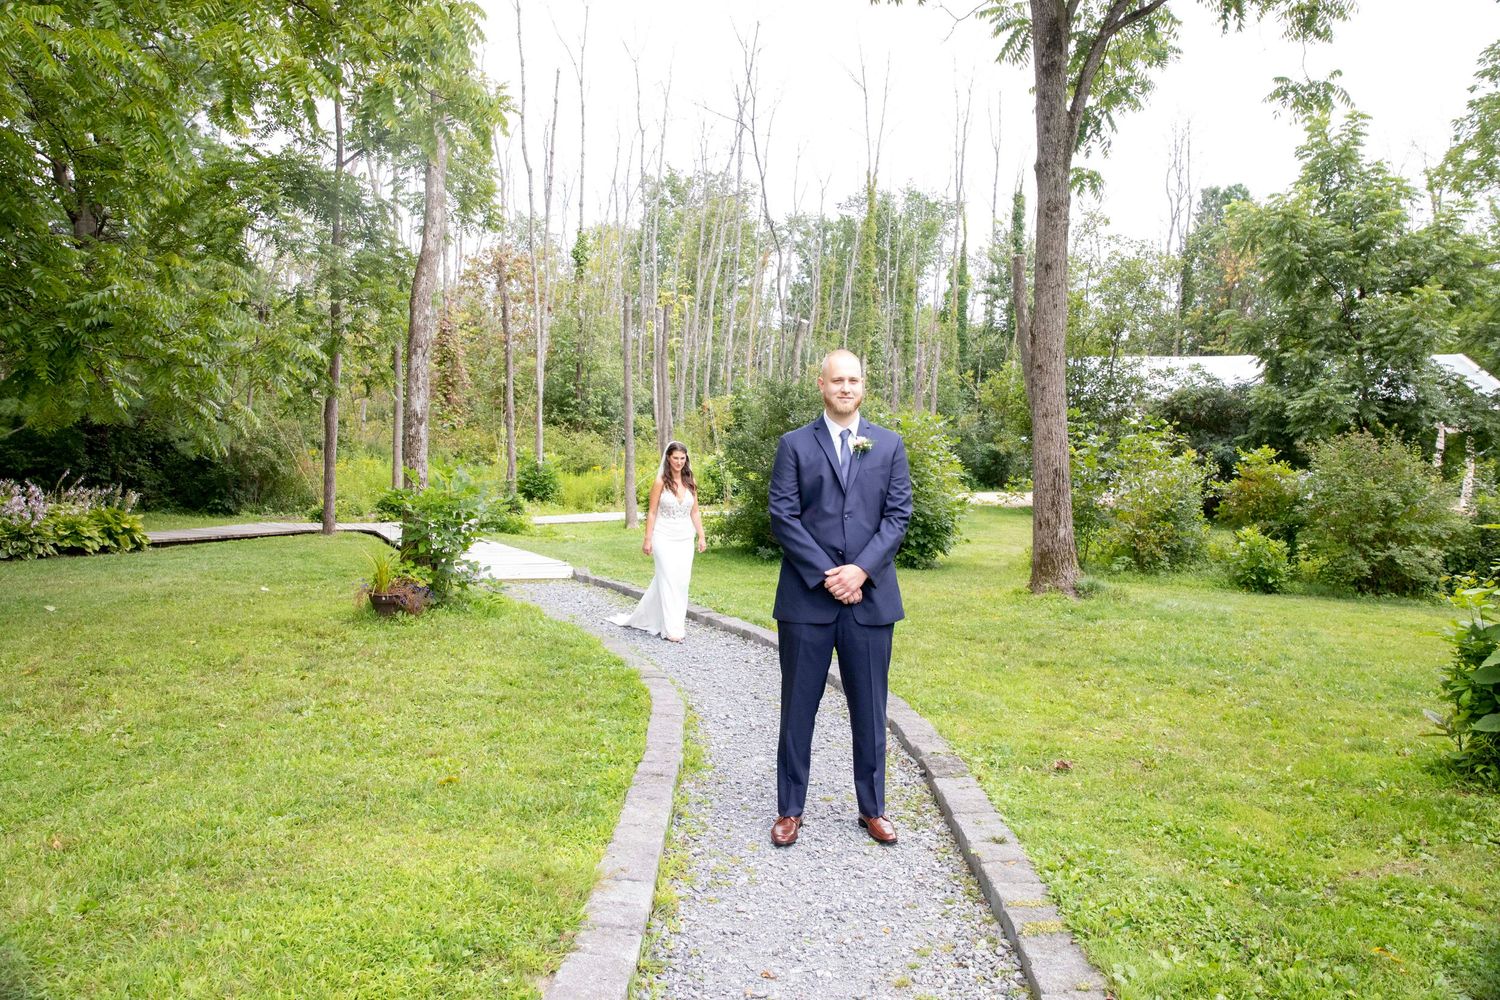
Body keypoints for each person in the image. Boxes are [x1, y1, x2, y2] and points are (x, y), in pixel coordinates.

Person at [767, 349, 912, 848]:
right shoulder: (794, 445)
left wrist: (860, 571)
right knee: (797, 708)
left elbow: (897, 516)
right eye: (837, 380)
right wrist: (829, 575)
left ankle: (873, 809)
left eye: (853, 380)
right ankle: (790, 809)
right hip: (807, 600)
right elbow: (783, 515)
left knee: (870, 709)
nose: (846, 388)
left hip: (870, 602)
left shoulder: (889, 445)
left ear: (862, 386)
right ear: (822, 385)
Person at [608, 441, 707, 642]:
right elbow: (652, 512)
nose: (679, 462)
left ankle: (650, 617)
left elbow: (695, 512)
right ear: (668, 458)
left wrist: (701, 535)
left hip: (684, 537)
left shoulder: (690, 481)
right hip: (663, 536)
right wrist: (648, 539)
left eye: (682, 458)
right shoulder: (661, 482)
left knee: (681, 581)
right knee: (668, 577)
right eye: (675, 458)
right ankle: (672, 629)